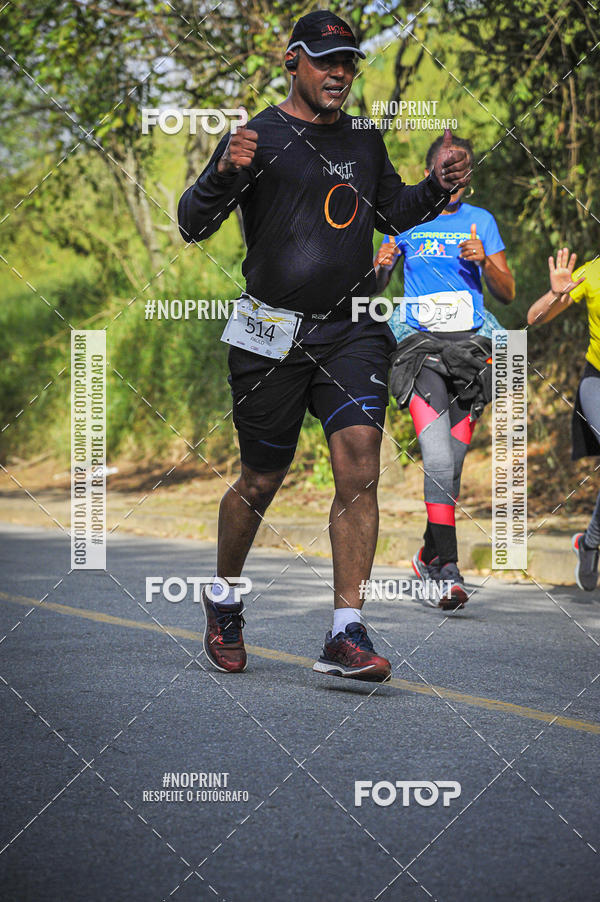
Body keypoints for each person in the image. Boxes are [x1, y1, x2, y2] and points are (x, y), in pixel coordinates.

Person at [177, 10, 471, 679]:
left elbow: (395, 210)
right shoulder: (258, 135)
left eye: (347, 62)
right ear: (293, 64)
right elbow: (193, 224)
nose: (338, 73)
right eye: (323, 60)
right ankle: (223, 598)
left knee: (361, 459)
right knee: (260, 479)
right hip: (267, 331)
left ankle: (346, 630)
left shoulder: (365, 139)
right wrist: (222, 170)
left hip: (352, 327)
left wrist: (438, 187)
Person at [374, 135, 514, 609]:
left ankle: (426, 554)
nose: (455, 174)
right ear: (432, 169)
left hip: (472, 352)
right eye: (446, 166)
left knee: (451, 466)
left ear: (468, 173)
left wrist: (485, 263)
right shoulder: (405, 218)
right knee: (435, 457)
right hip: (419, 350)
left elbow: (508, 292)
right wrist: (381, 267)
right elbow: (373, 287)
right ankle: (448, 571)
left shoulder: (482, 223)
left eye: (462, 167)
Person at [527, 248, 599, 591]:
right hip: (597, 380)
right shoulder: (591, 273)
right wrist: (556, 294)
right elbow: (533, 318)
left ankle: (589, 542)